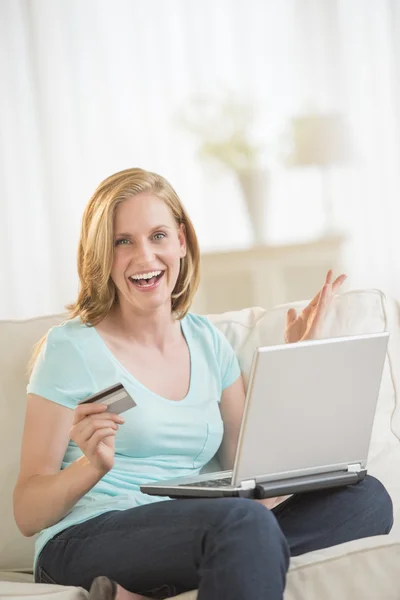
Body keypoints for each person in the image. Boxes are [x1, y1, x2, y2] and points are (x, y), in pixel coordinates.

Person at [13, 168, 393, 600]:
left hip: (198, 530)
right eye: (123, 241)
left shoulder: (208, 343)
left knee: (366, 498)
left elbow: (255, 485)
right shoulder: (71, 348)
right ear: (102, 254)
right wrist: (90, 467)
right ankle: (227, 558)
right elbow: (26, 512)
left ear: (180, 240)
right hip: (85, 537)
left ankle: (156, 589)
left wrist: (293, 368)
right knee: (241, 526)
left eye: (158, 236)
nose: (144, 257)